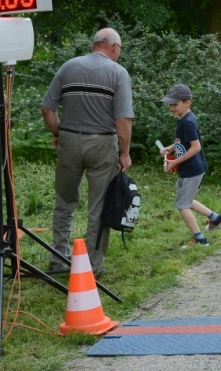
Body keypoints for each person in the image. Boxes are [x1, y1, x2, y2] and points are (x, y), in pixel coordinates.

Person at [40, 28, 133, 275]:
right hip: (102, 145)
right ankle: (92, 266)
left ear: (95, 44)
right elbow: (123, 120)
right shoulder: (118, 73)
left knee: (64, 202)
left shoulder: (68, 67)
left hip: (69, 142)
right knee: (99, 206)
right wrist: (125, 153)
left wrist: (58, 133)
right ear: (114, 47)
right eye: (120, 49)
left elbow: (47, 108)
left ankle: (58, 259)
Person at [159, 84, 221, 246]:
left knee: (182, 205)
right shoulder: (185, 119)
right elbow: (184, 142)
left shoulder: (187, 122)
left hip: (191, 169)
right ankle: (216, 218)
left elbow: (196, 147)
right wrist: (170, 148)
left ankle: (200, 239)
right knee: (185, 199)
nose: (171, 108)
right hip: (194, 168)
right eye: (170, 104)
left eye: (175, 104)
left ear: (187, 103)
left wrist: (175, 162)